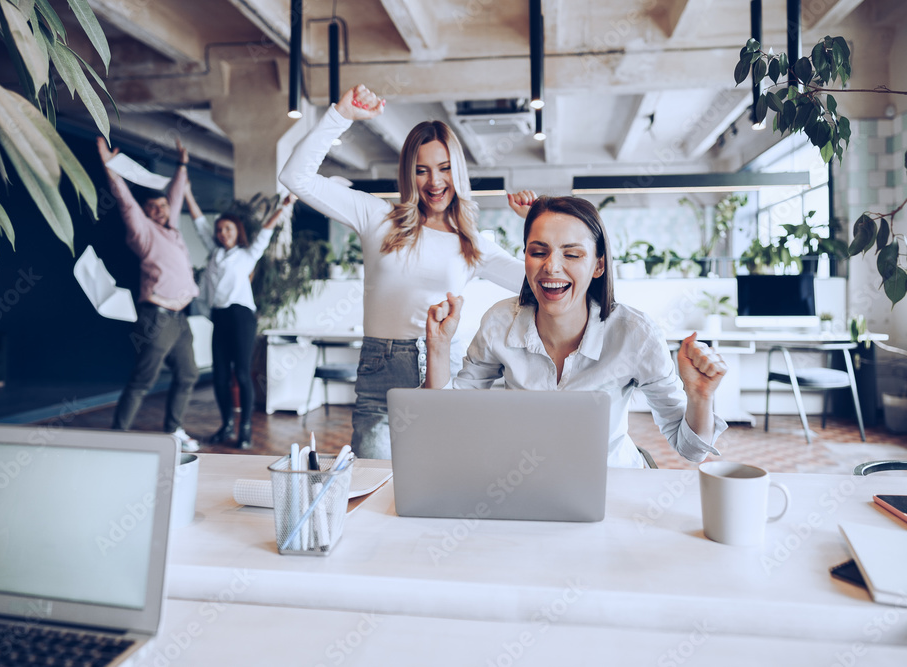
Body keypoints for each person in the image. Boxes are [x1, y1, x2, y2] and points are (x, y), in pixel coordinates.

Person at [280, 84, 531, 460]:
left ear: (458, 171)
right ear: (408, 174)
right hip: (381, 371)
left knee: (445, 477)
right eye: (422, 170)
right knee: (372, 482)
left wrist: (537, 226)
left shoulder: (473, 243)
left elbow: (537, 283)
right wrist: (340, 116)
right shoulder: (377, 216)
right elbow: (295, 178)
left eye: (445, 168)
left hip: (444, 368)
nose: (435, 182)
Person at [425, 196, 728, 468]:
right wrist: (437, 348)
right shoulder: (499, 322)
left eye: (572, 254)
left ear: (598, 266)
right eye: (538, 252)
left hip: (614, 484)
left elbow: (691, 450)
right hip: (527, 483)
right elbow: (450, 420)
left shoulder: (635, 333)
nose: (551, 267)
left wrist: (700, 396)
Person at [98, 137, 201, 452]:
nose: (158, 209)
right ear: (145, 213)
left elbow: (176, 195)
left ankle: (173, 430)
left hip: (181, 317)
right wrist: (109, 166)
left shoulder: (173, 229)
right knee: (143, 380)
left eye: (162, 205)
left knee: (189, 374)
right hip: (157, 317)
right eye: (151, 207)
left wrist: (182, 164)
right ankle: (118, 437)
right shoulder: (143, 233)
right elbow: (125, 200)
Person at [185, 186, 297, 447]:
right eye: (220, 230)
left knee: (242, 374)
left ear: (238, 232)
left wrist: (285, 206)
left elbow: (268, 229)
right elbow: (198, 220)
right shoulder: (214, 253)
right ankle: (226, 426)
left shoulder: (248, 255)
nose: (223, 234)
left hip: (242, 317)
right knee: (221, 375)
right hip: (219, 317)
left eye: (229, 229)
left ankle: (244, 429)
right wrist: (188, 192)